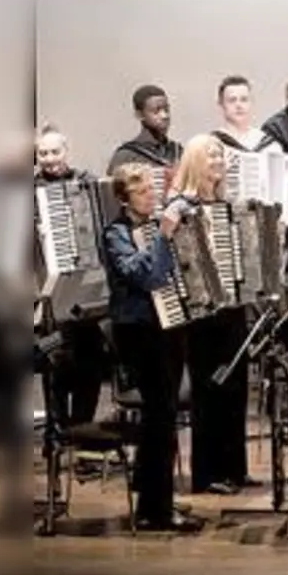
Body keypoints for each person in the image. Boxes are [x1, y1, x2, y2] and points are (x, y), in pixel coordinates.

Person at [101, 163, 202, 532]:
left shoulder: (153, 225)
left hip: (168, 328)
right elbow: (145, 275)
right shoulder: (116, 234)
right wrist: (163, 234)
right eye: (142, 192)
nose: (151, 197)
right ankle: (153, 510)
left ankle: (156, 497)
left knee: (165, 414)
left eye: (152, 190)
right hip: (140, 332)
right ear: (124, 198)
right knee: (159, 416)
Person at [168, 133, 256, 495]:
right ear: (194, 161)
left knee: (236, 387)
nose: (218, 162)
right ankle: (207, 473)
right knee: (209, 390)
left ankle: (235, 467)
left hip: (231, 308)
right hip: (200, 313)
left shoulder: (226, 204)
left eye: (220, 156)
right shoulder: (180, 206)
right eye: (211, 156)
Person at [33, 126, 108, 430]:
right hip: (46, 289)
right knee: (57, 363)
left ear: (67, 152)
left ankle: (83, 431)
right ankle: (58, 432)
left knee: (89, 363)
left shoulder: (86, 182)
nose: (50, 159)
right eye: (43, 153)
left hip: (84, 288)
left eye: (55, 152)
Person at [107, 84, 183, 175]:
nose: (165, 116)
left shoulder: (177, 151)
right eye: (156, 111)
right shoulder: (125, 156)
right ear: (140, 115)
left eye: (166, 109)